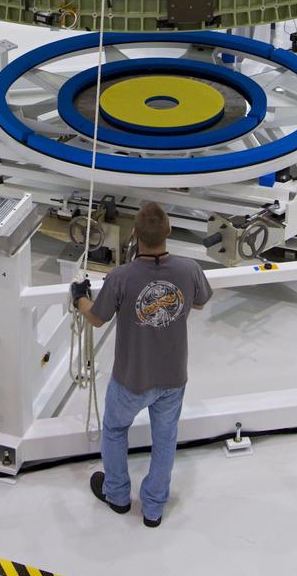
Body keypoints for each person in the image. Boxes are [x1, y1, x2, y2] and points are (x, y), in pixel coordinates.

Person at [72, 201, 213, 528]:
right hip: (173, 378)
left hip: (131, 379)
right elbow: (203, 301)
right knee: (164, 440)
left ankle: (117, 495)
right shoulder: (189, 269)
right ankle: (153, 508)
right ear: (169, 231)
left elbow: (95, 318)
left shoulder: (122, 277)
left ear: (134, 233)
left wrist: (79, 295)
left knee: (115, 429)